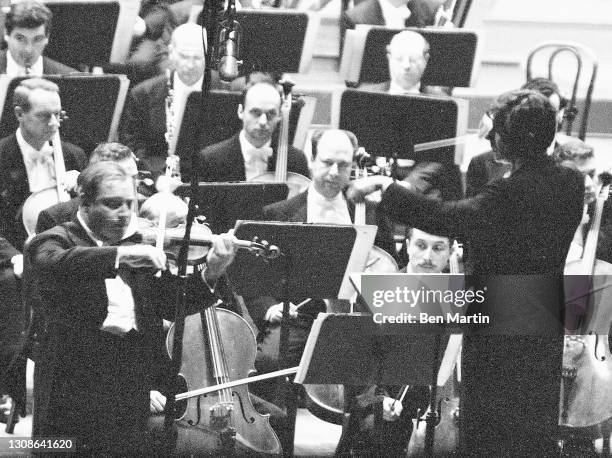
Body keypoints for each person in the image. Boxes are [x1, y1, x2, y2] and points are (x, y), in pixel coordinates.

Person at [347, 89, 585, 455]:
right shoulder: (570, 182)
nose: (490, 138)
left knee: (488, 432)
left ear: (512, 140)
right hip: (543, 320)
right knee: (533, 429)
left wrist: (386, 187)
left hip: (498, 326)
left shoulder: (510, 192)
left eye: (496, 133)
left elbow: (447, 218)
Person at [28, 160, 237, 455]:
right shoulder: (59, 237)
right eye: (112, 204)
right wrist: (121, 256)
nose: (124, 213)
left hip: (130, 372)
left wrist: (212, 272)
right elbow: (48, 260)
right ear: (85, 204)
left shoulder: (137, 246)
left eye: (129, 203)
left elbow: (169, 303)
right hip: (75, 375)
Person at [120, 22, 244, 176]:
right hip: (159, 174)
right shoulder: (143, 93)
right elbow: (134, 145)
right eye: (184, 57)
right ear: (171, 52)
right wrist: (157, 173)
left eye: (197, 58)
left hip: (212, 173)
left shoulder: (228, 91)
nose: (190, 65)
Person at [0, 78, 87, 253]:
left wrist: (83, 188)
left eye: (57, 114)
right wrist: (13, 259)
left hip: (67, 251)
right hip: (14, 254)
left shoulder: (74, 155)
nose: (54, 123)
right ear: (19, 114)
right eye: (44, 116)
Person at [466, 77, 570, 197]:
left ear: (560, 115)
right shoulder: (481, 163)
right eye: (531, 114)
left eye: (550, 112)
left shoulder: (571, 159)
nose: (541, 120)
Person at [197, 78, 310, 182]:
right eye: (255, 112)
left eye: (271, 114)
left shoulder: (296, 161)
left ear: (280, 115)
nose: (263, 122)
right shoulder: (211, 160)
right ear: (241, 111)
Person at [359, 30, 448, 96]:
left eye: (413, 59)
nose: (406, 66)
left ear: (426, 60)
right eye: (399, 58)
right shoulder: (363, 97)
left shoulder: (444, 101)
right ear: (389, 58)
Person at [0, 1, 76, 76]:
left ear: (47, 37)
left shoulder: (71, 77)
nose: (28, 50)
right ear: (6, 33)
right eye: (20, 38)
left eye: (37, 39)